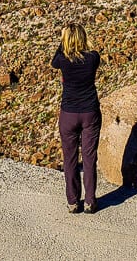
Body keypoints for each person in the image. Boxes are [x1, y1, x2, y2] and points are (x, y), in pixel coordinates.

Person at [51, 23, 102, 214]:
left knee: (70, 158)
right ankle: (90, 201)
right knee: (89, 158)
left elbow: (53, 61)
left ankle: (73, 202)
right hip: (90, 112)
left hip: (69, 113)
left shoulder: (63, 60)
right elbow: (92, 50)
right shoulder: (93, 58)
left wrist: (62, 40)